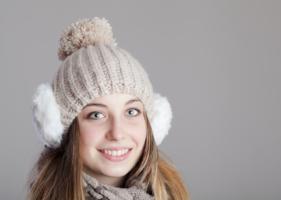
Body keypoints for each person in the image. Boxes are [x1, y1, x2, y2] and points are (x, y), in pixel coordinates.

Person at [27, 17, 189, 200]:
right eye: (97, 115)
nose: (117, 133)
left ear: (151, 122)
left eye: (131, 112)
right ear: (60, 128)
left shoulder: (171, 194)